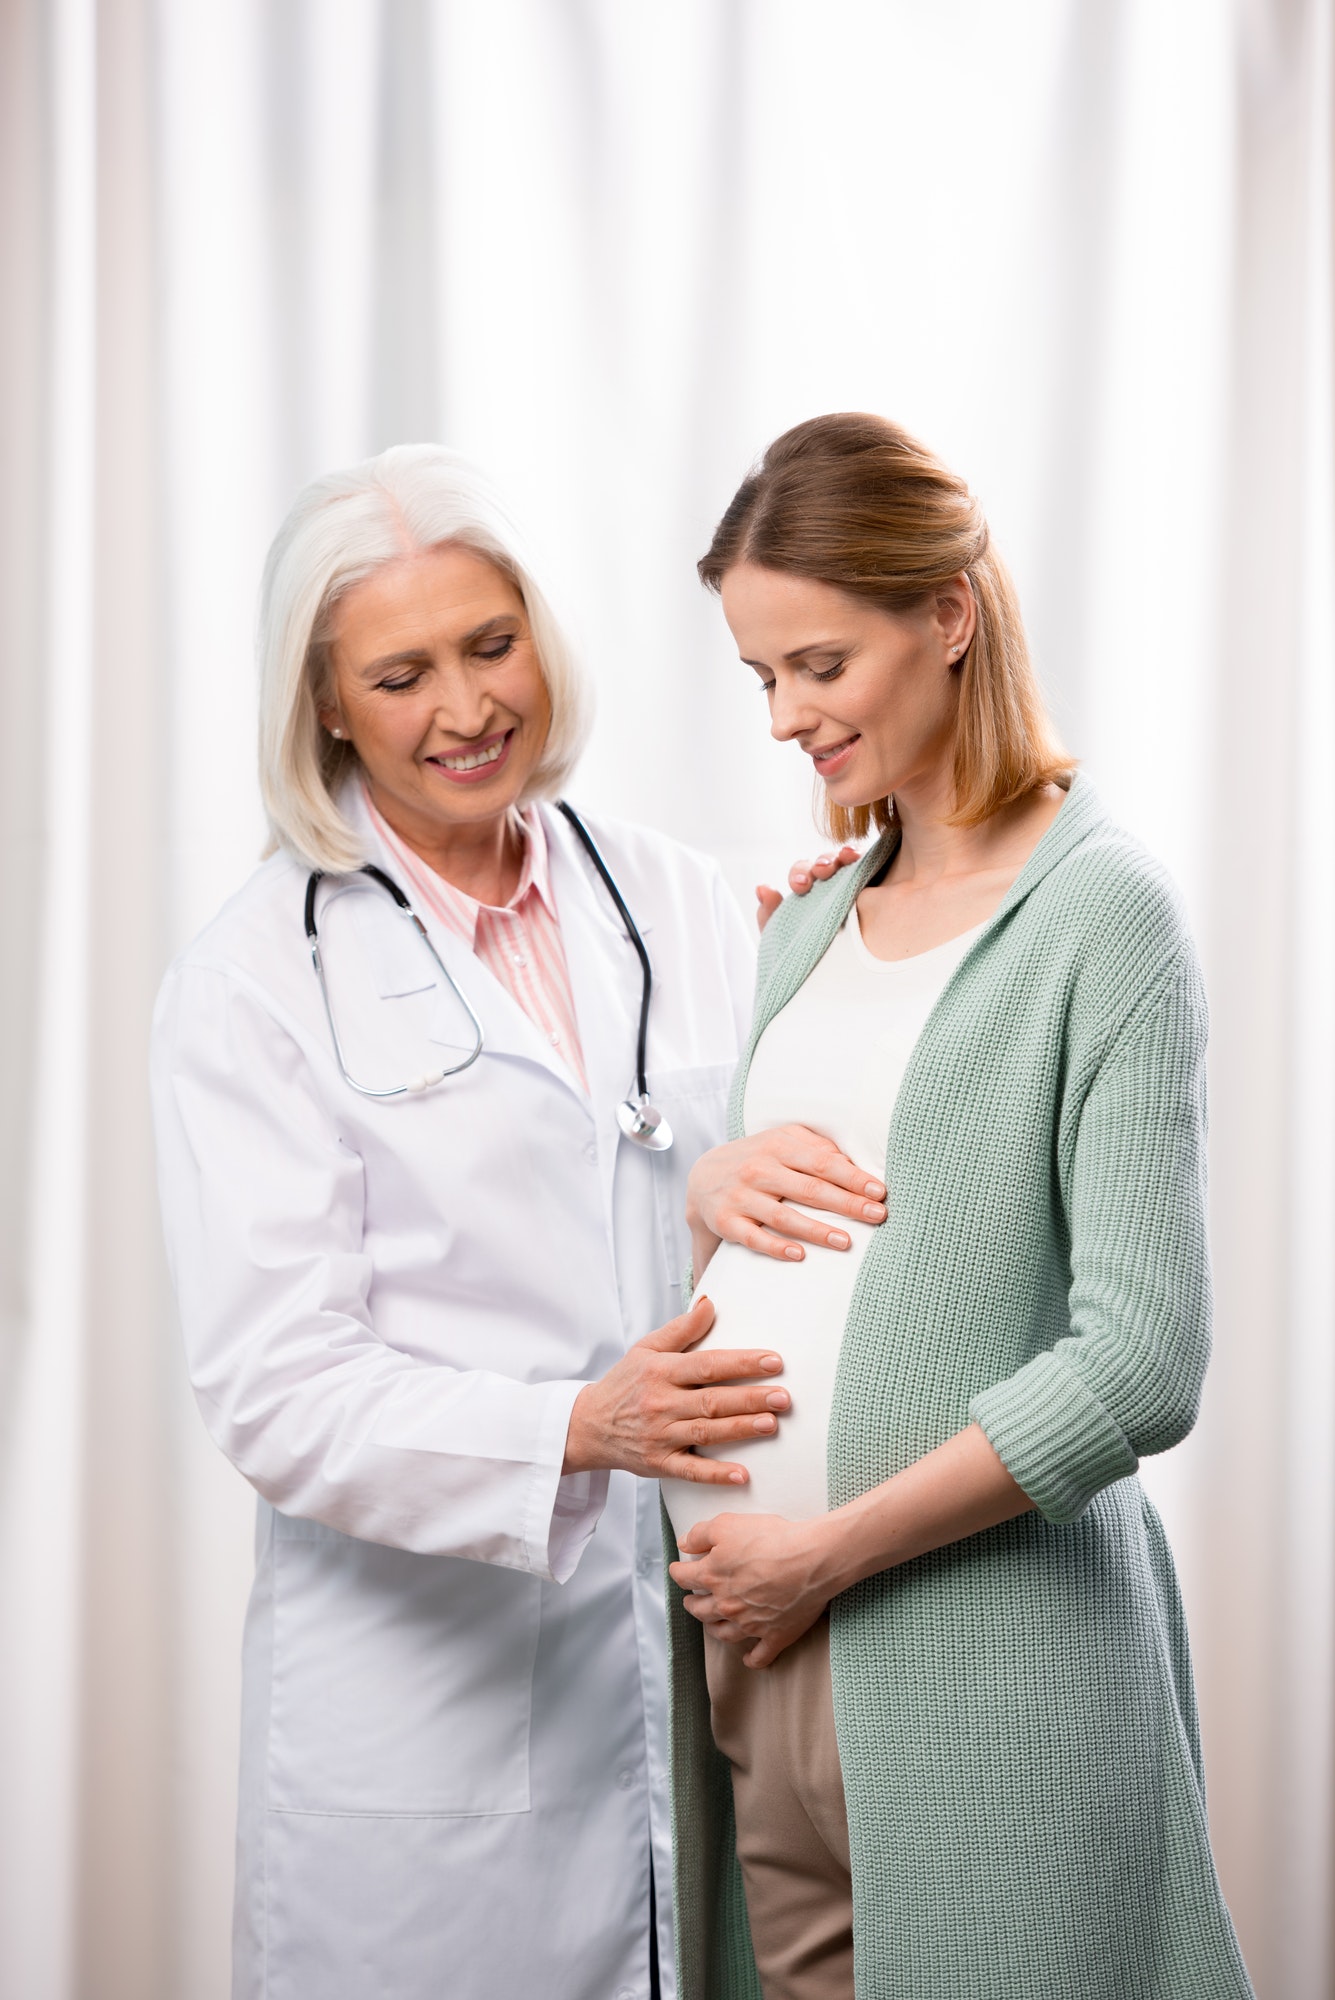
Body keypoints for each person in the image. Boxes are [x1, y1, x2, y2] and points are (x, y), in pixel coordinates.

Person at [150, 443, 846, 2000]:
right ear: (324, 702)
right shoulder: (256, 980)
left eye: (489, 645)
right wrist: (574, 1428)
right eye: (400, 674)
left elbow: (776, 1168)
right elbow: (277, 1388)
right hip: (419, 1714)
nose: (466, 710)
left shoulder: (671, 898)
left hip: (687, 1653)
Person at [660, 414, 1254, 2000]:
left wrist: (832, 1551)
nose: (785, 716)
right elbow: (778, 1222)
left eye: (819, 664)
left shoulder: (1103, 917)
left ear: (948, 614)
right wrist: (704, 1183)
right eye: (760, 677)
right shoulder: (807, 925)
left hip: (980, 1669)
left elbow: (1142, 1359)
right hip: (761, 1668)